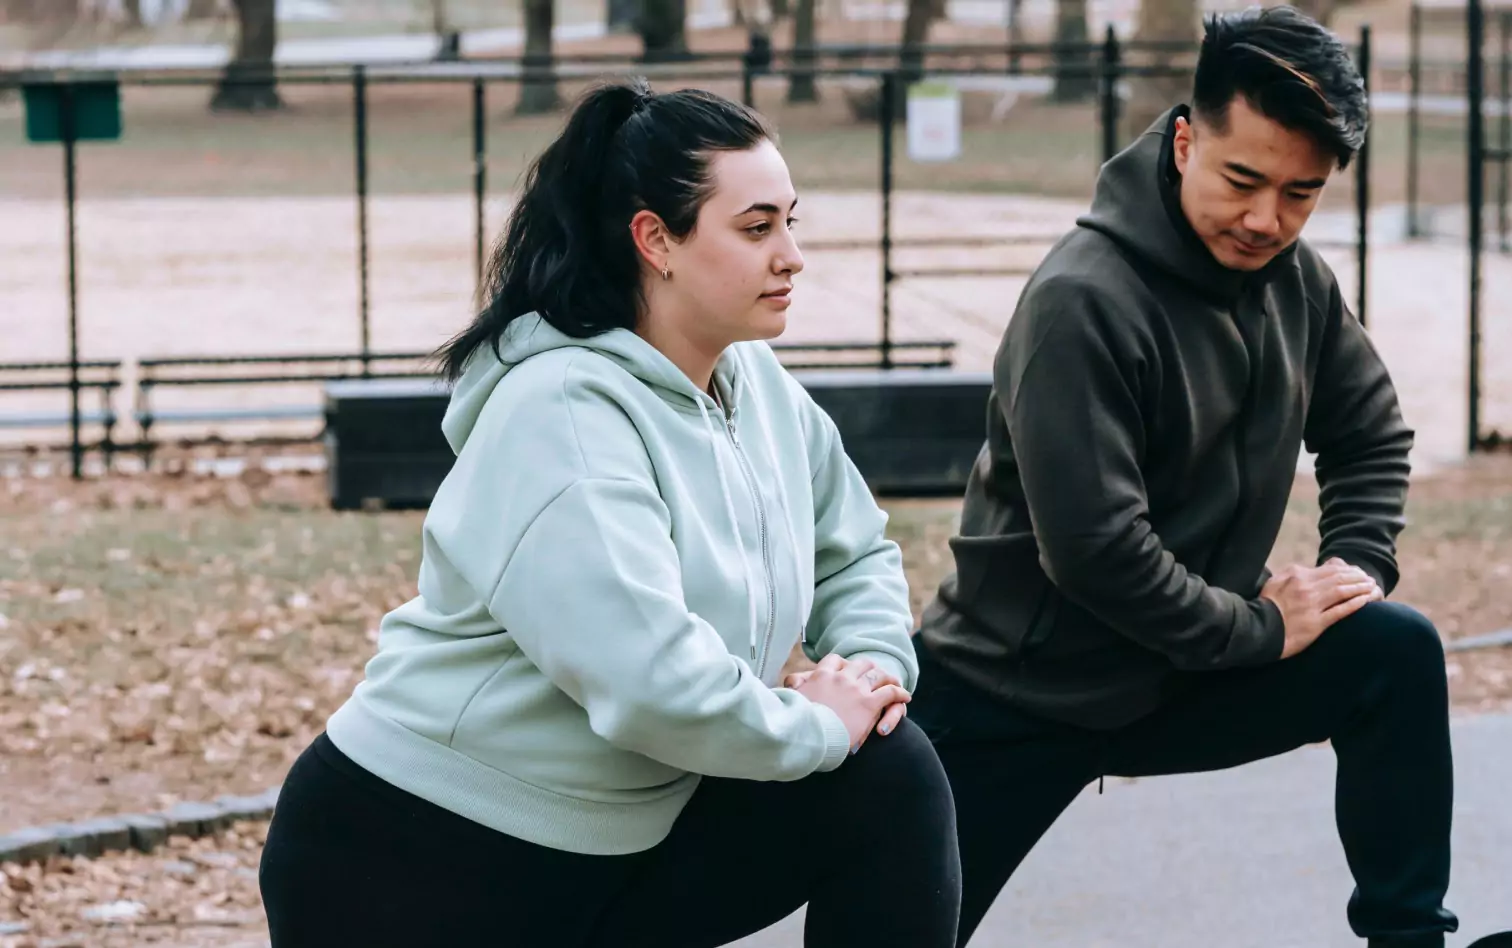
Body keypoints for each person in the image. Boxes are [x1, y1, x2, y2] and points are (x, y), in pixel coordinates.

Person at [259, 79, 961, 947]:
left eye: (791, 222)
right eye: (755, 228)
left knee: (891, 777)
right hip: (421, 860)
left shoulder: (756, 389)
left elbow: (852, 555)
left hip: (626, 842)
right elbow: (652, 685)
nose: (791, 256)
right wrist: (819, 724)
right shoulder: (562, 414)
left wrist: (868, 681)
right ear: (655, 239)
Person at [906, 7, 1464, 948]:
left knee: (1392, 653)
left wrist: (1353, 575)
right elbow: (1096, 552)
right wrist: (1257, 628)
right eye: (1242, 179)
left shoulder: (1297, 280)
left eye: (1301, 194)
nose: (1265, 219)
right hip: (1018, 691)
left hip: (1181, 671)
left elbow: (1370, 435)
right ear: (1183, 139)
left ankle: (1408, 939)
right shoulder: (1083, 300)